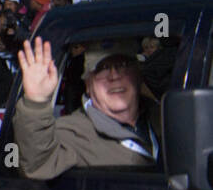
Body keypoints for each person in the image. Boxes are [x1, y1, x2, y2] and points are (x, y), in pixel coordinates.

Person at [13, 38, 161, 179]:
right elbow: (37, 165)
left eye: (122, 65)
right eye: (102, 68)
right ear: (88, 84)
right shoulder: (74, 132)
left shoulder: (167, 117)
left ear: (138, 74)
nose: (114, 76)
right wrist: (36, 102)